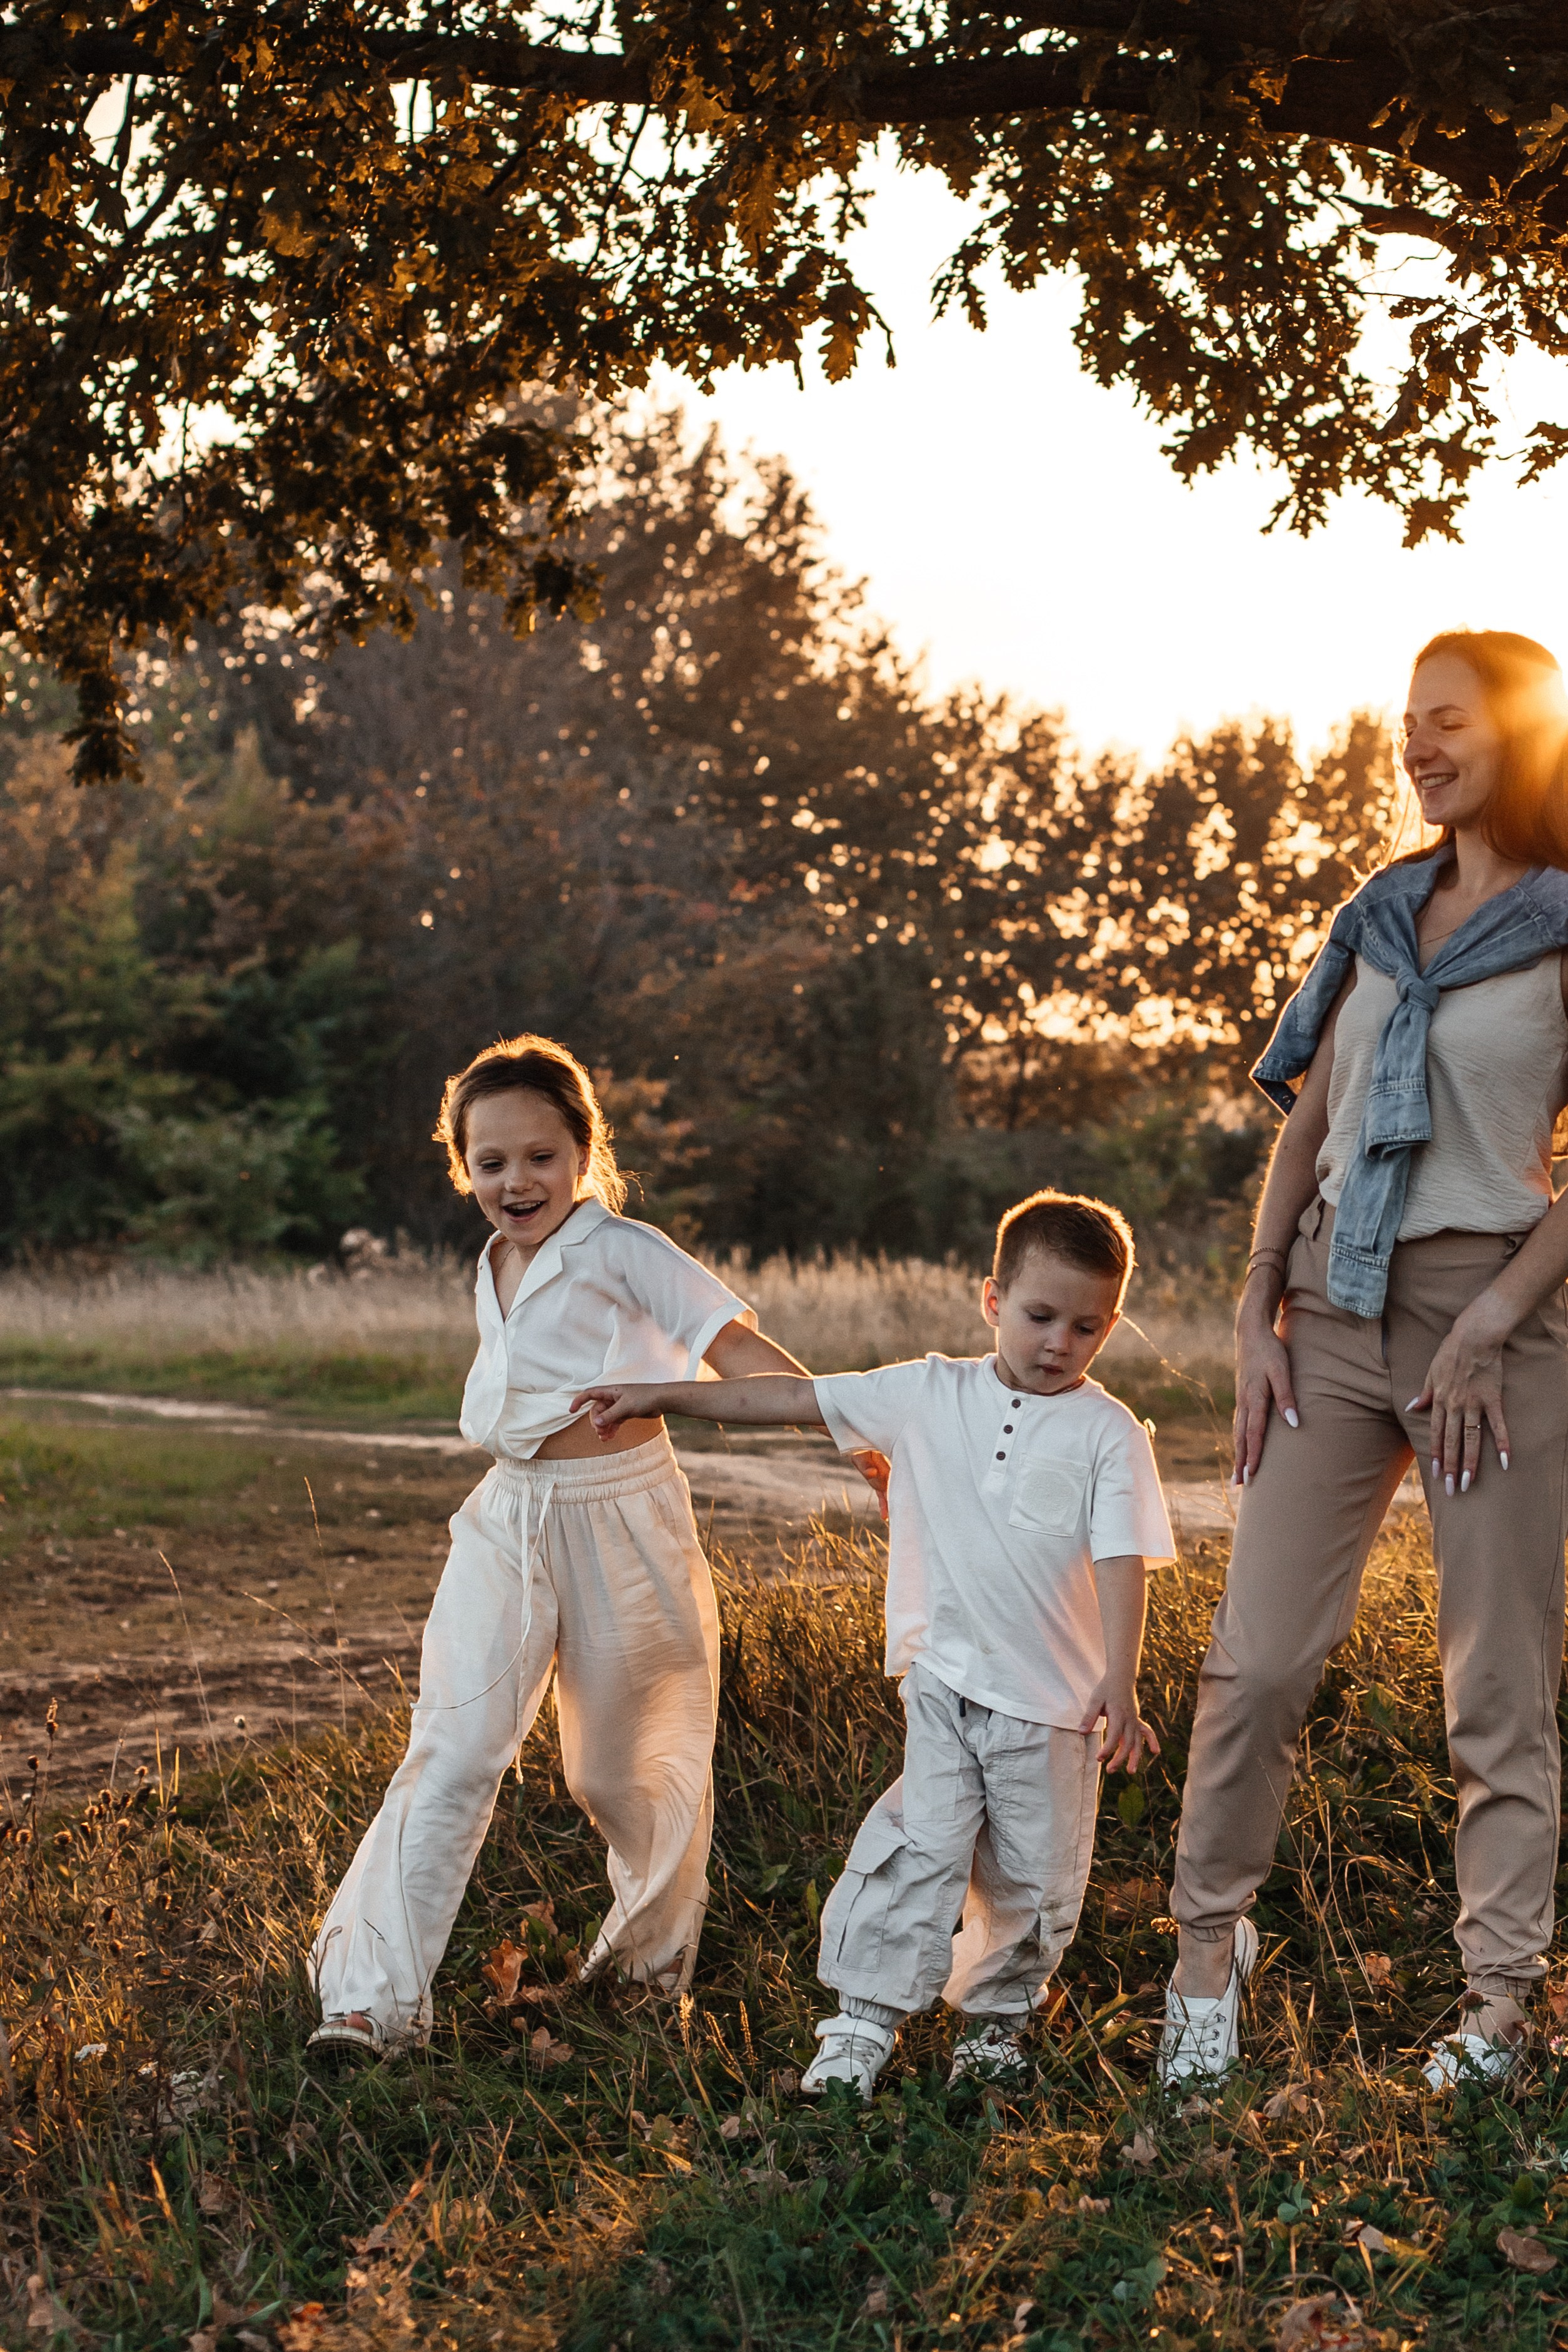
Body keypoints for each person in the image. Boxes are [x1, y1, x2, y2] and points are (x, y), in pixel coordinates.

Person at [1161, 631, 1568, 2094]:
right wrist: (1254, 1303)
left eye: (1447, 720)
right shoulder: (1380, 915)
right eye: (1407, 723)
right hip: (1329, 1309)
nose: (1418, 745)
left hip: (1490, 1322)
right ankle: (1206, 1953)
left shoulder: (1566, 924)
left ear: (1519, 735)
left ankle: (1498, 2002)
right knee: (1258, 1658)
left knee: (1495, 1678)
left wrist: (1495, 1317)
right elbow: (1313, 1116)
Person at [576, 1189, 1175, 2096]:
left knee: (1034, 1880)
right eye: (1041, 1316)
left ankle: (995, 2025)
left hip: (1054, 1708)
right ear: (993, 1301)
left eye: (1086, 1328)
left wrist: (1119, 1683)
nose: (1060, 1342)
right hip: (943, 1684)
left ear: (1111, 1326)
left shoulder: (1109, 1432)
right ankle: (861, 2022)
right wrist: (660, 1392)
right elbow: (791, 1397)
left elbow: (1124, 1560)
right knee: (915, 1848)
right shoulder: (927, 1393)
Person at [308, 1034, 819, 2058]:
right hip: (508, 1516)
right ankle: (370, 2001)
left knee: (626, 1773)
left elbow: (735, 1352)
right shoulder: (494, 1259)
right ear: (463, 1167)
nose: (517, 1182)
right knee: (452, 1748)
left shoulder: (626, 1249)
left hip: (621, 1517)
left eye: (541, 1156)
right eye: (491, 1161)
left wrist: (854, 1426)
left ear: (584, 1152)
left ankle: (644, 1981)